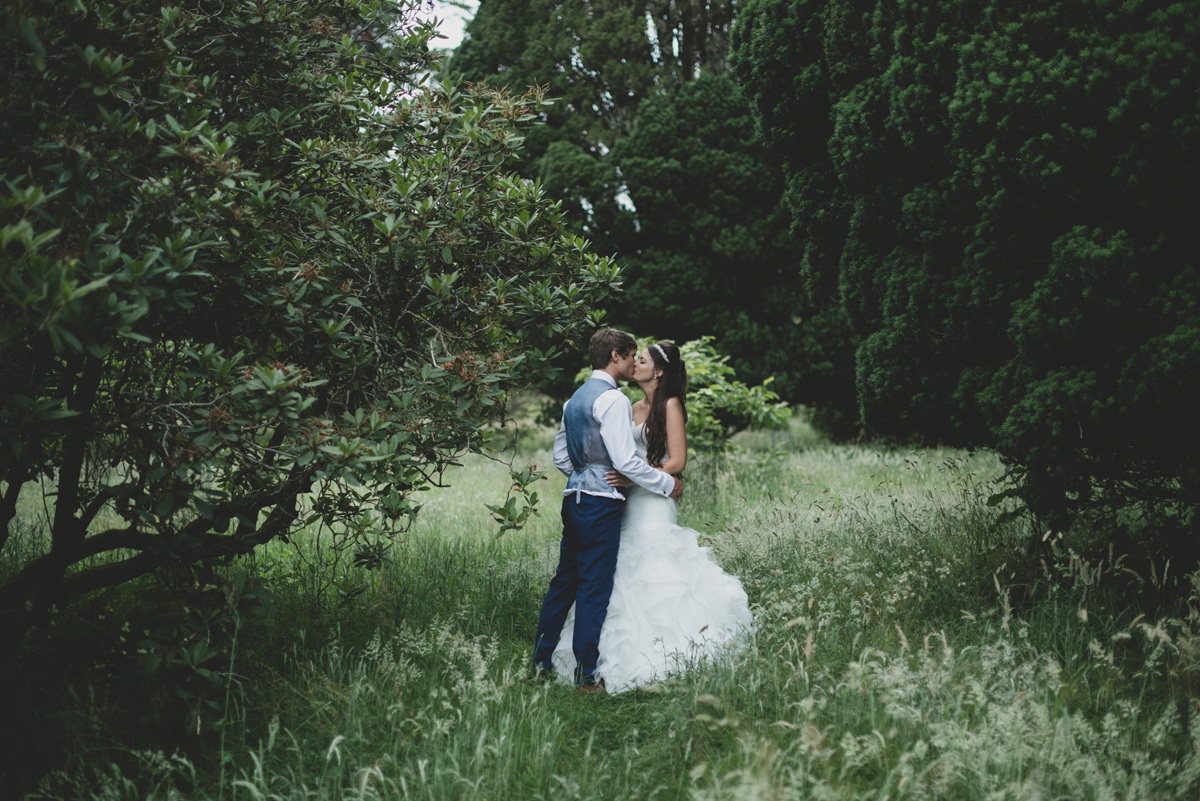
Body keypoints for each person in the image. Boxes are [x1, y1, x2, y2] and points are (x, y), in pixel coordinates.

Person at [550, 341, 753, 693]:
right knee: (620, 570)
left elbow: (676, 462)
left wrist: (639, 477)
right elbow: (614, 452)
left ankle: (667, 648)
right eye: (634, 358)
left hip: (653, 500)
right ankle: (606, 653)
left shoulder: (670, 405)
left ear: (658, 371)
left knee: (654, 564)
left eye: (641, 360)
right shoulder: (626, 405)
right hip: (624, 499)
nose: (635, 364)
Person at [533, 328, 684, 694]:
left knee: (564, 583)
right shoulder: (614, 400)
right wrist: (668, 484)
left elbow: (560, 456)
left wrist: (585, 474)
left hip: (574, 499)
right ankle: (586, 678)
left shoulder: (575, 400)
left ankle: (540, 662)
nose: (634, 362)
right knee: (594, 589)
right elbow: (625, 461)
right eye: (632, 355)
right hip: (600, 505)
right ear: (616, 355)